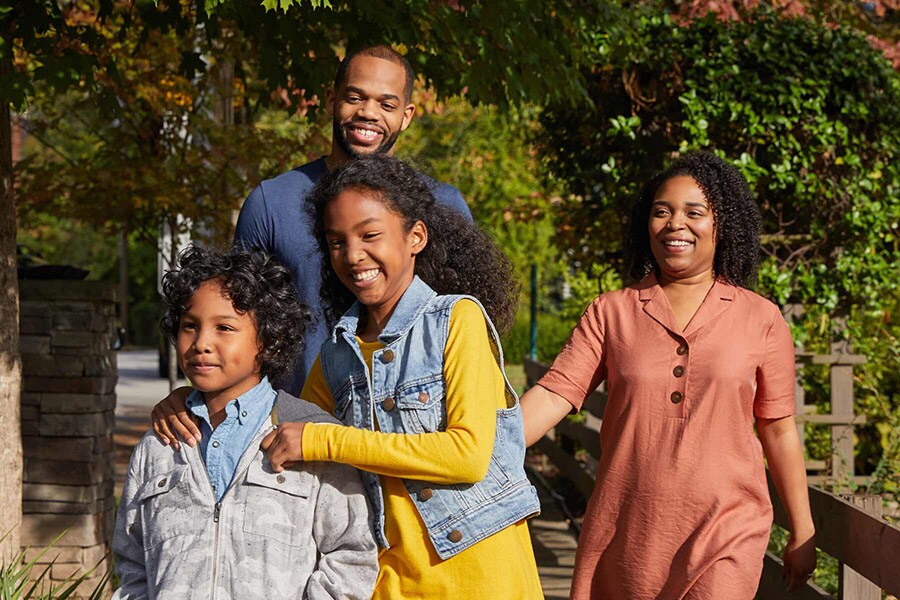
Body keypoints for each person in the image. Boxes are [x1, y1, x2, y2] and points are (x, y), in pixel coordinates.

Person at [519, 151, 817, 599]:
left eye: (694, 213)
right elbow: (554, 395)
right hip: (628, 531)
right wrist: (478, 448)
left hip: (728, 529)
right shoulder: (611, 312)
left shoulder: (762, 318)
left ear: (723, 226)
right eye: (662, 212)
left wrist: (803, 528)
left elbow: (778, 428)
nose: (675, 224)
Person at [152, 44, 473, 449]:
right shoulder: (273, 203)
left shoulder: (443, 207)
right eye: (355, 97)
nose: (368, 113)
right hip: (293, 440)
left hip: (411, 449)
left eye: (386, 103)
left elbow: (466, 339)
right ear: (332, 100)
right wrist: (190, 395)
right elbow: (232, 322)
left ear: (406, 116)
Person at [259, 155, 544, 598]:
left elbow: (466, 454)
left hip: (481, 579)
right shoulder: (338, 351)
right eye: (336, 242)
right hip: (387, 581)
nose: (353, 255)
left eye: (370, 235)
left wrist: (325, 439)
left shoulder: (457, 320)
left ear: (415, 237)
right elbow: (271, 420)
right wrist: (190, 403)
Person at [112, 246, 378, 600]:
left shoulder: (310, 439)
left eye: (224, 328)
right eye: (190, 326)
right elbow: (132, 564)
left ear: (269, 341)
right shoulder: (158, 447)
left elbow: (352, 555)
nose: (201, 343)